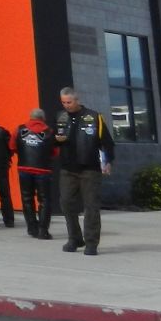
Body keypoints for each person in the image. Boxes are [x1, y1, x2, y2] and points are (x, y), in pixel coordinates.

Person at [54, 87, 114, 255]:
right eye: (63, 102)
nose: (66, 105)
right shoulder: (60, 117)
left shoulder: (94, 117)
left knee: (91, 206)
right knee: (66, 203)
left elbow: (107, 143)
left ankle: (91, 243)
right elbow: (54, 141)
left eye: (69, 102)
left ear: (77, 100)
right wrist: (56, 140)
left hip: (90, 169)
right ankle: (74, 238)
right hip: (67, 168)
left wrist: (107, 161)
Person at [13, 108, 56, 239]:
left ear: (31, 117)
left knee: (27, 199)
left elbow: (12, 146)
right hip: (43, 170)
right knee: (44, 200)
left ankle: (32, 228)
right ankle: (43, 231)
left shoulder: (19, 129)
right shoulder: (49, 131)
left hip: (24, 169)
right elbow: (55, 152)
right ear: (43, 118)